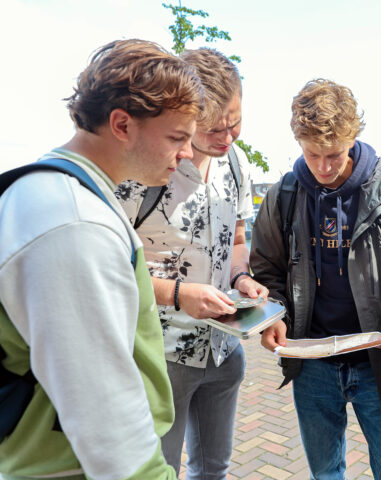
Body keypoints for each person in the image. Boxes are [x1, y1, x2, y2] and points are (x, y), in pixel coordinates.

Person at [0, 39, 203, 479]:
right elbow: (107, 422)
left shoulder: (56, 195)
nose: (187, 154)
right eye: (176, 137)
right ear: (122, 124)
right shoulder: (75, 224)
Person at [251, 78, 381, 480]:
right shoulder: (284, 195)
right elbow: (267, 271)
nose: (323, 167)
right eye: (312, 154)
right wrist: (274, 317)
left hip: (378, 361)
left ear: (353, 138)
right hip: (312, 363)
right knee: (326, 473)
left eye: (334, 154)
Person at [115, 47, 268, 479]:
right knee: (158, 471)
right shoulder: (141, 169)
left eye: (236, 122)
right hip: (161, 353)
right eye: (215, 127)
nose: (228, 137)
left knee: (214, 468)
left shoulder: (235, 163)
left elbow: (238, 237)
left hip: (224, 350)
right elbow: (110, 266)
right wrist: (179, 295)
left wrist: (241, 276)